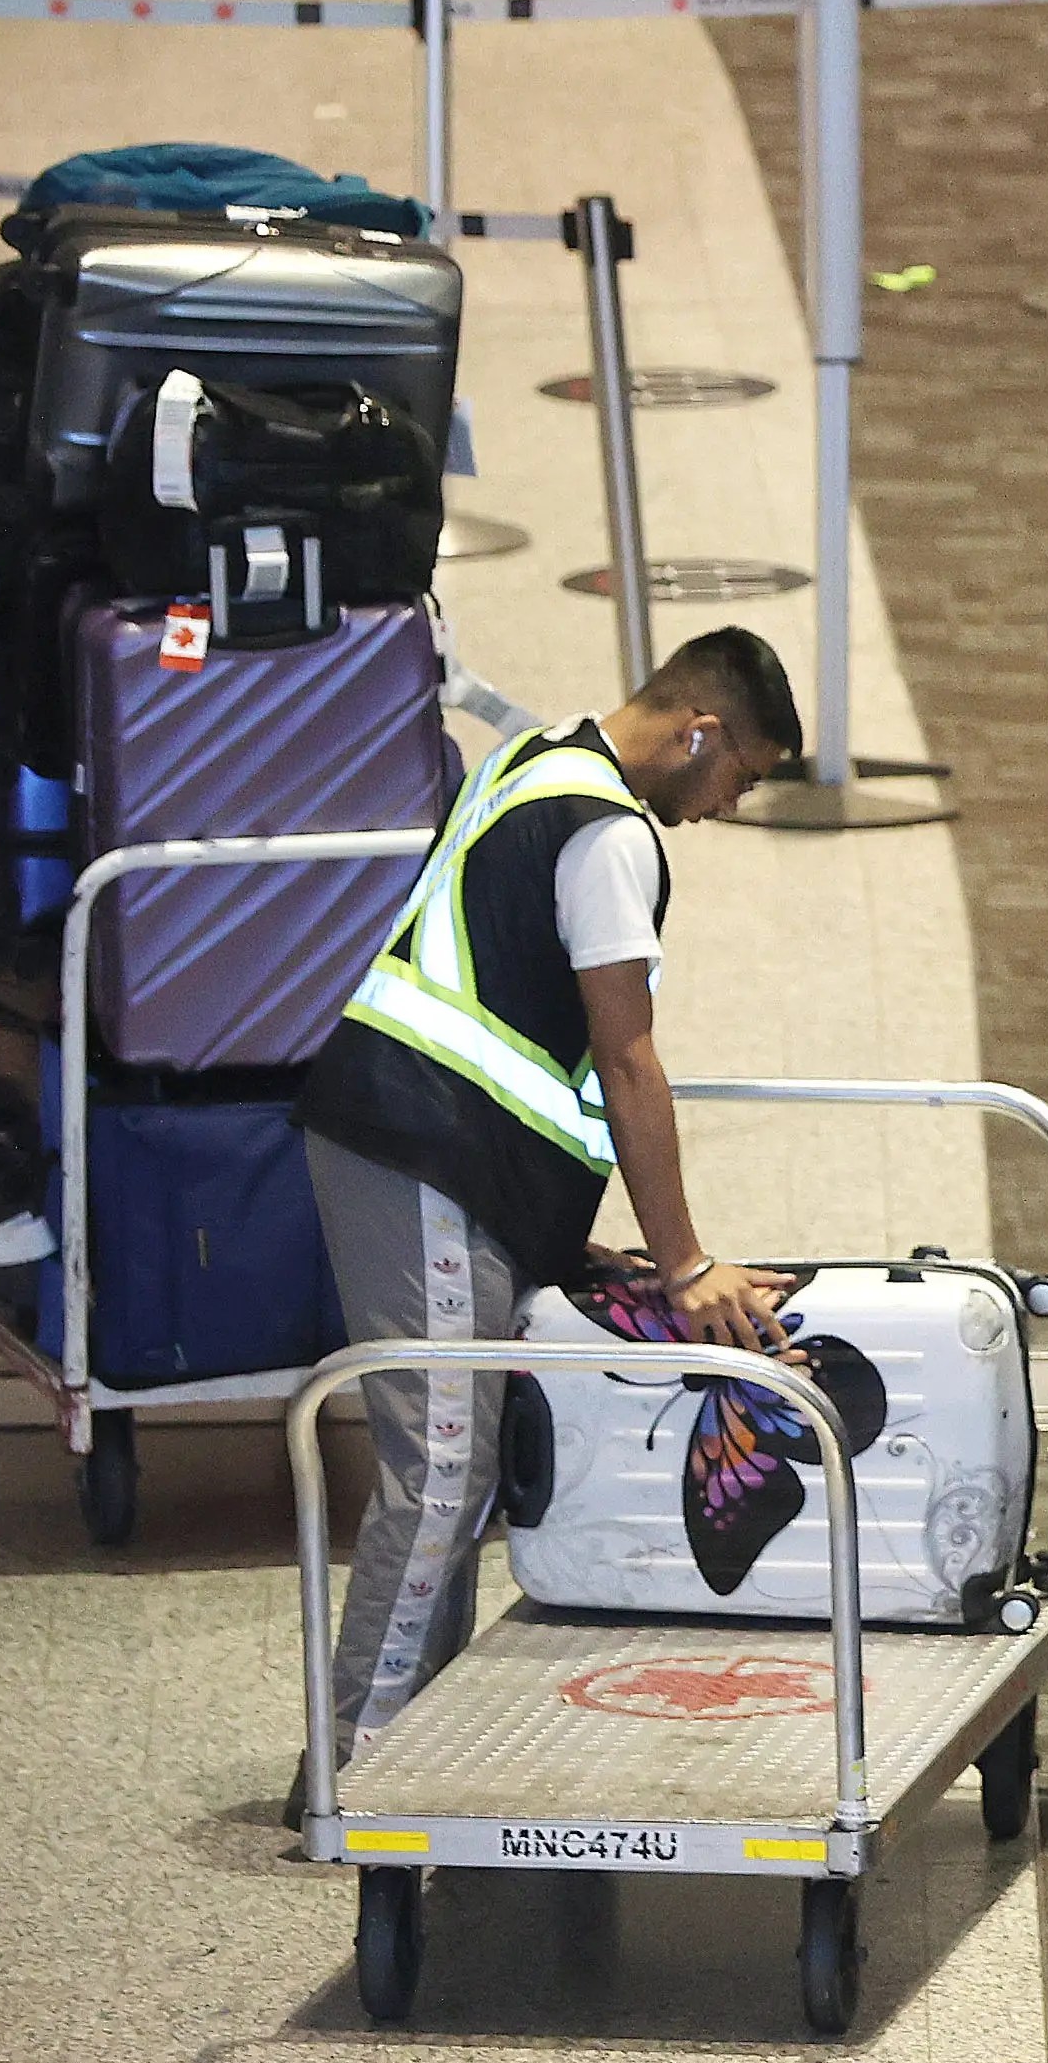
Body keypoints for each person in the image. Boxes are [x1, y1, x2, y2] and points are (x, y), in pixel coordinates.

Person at [294, 629, 800, 1792]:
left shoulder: (535, 758)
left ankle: (404, 1748)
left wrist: (554, 1236)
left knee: (455, 1474)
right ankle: (356, 1769)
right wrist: (687, 1264)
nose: (731, 804)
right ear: (700, 733)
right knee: (442, 1473)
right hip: (424, 1156)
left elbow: (496, 993)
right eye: (743, 774)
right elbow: (627, 1058)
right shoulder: (608, 830)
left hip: (425, 1155)